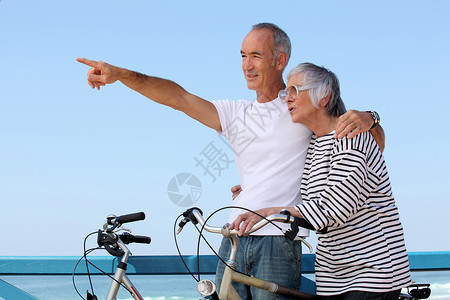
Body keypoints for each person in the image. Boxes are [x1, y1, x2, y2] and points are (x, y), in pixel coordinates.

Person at [76, 23, 384, 299]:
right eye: (242, 55)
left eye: (256, 56)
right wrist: (121, 75)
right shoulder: (236, 113)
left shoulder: (301, 105)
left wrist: (372, 118)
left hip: (278, 241)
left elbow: (369, 143)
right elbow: (178, 98)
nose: (247, 66)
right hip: (233, 236)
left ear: (280, 60)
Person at [231, 62, 411, 299]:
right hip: (332, 275)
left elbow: (335, 208)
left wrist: (267, 211)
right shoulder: (315, 144)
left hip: (372, 272)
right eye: (287, 92)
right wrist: (256, 188)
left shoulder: (349, 137)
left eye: (296, 90)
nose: (287, 98)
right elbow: (305, 188)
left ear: (324, 97)